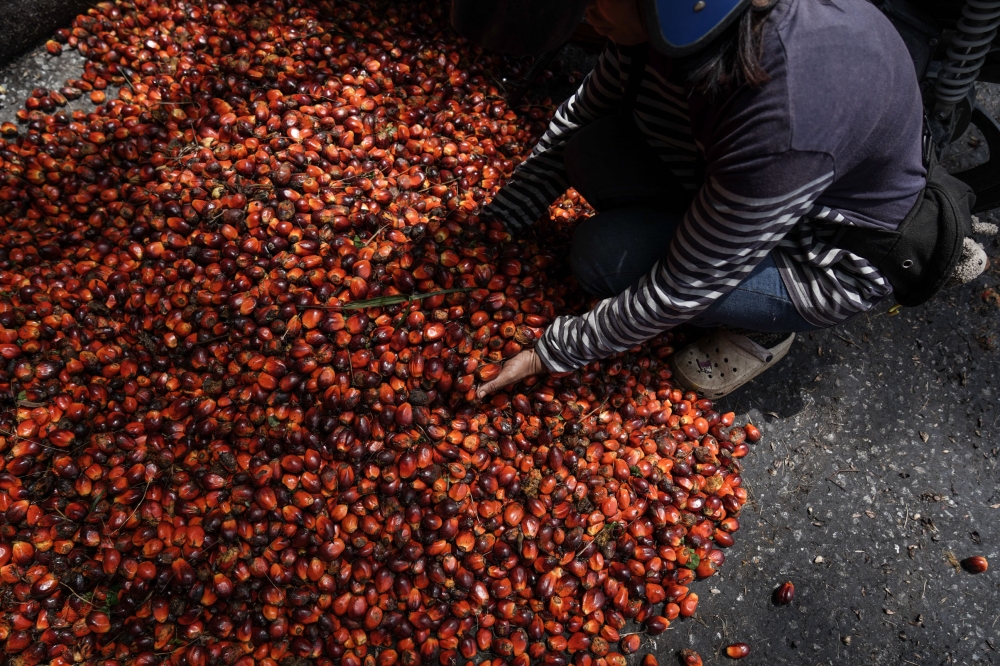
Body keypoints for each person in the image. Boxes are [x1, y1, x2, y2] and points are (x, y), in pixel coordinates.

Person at [476, 0, 994, 400]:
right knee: (590, 149)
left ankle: (766, 328)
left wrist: (554, 352)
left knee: (600, 255)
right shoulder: (679, 20)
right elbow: (588, 110)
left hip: (819, 259)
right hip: (754, 192)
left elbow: (687, 283)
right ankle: (712, 230)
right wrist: (503, 219)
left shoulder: (783, 122)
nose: (586, 14)